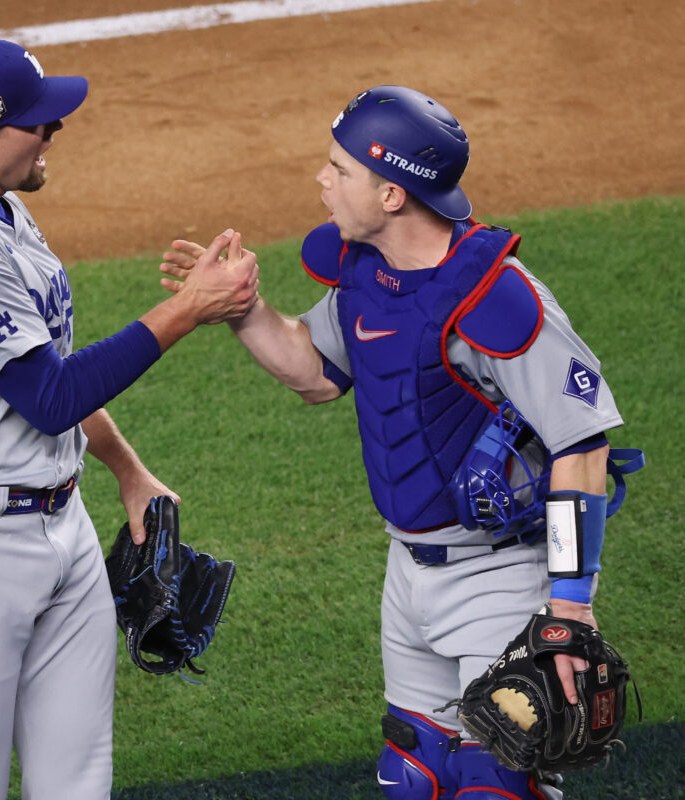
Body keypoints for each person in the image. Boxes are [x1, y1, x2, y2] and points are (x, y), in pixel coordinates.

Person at [160, 86, 636, 800]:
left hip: (500, 581)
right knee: (414, 777)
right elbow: (317, 373)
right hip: (406, 575)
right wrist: (244, 310)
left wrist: (569, 603)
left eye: (339, 169)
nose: (322, 180)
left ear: (390, 194)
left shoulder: (494, 295)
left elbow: (583, 442)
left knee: (494, 783)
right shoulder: (366, 273)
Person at [0, 38, 257, 800]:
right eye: (38, 124)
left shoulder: (2, 212)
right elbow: (50, 397)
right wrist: (191, 307)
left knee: (77, 784)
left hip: (60, 527)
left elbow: (47, 378)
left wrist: (127, 472)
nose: (54, 132)